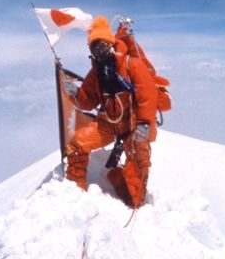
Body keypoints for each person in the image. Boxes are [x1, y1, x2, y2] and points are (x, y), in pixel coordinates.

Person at [64, 15, 158, 207]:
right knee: (77, 143)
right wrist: (75, 93)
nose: (99, 49)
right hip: (108, 124)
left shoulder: (132, 64)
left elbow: (147, 97)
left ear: (111, 42)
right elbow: (88, 101)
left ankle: (136, 197)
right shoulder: (96, 73)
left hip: (133, 124)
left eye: (103, 44)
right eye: (94, 45)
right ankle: (73, 191)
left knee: (140, 155)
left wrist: (144, 124)